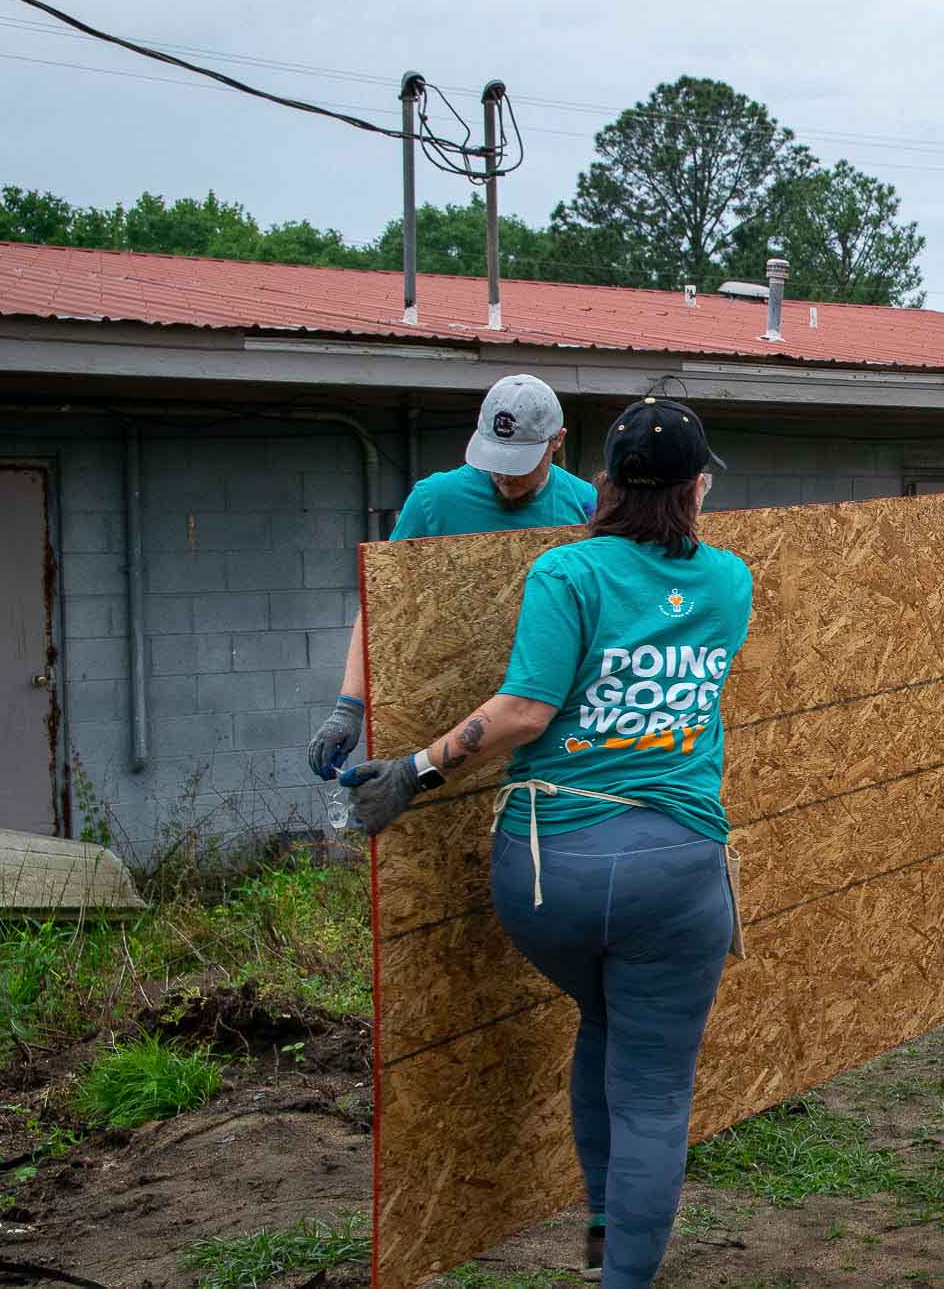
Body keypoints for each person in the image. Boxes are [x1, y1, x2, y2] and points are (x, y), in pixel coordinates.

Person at [337, 396, 749, 1286]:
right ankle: (624, 1272)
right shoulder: (730, 582)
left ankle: (604, 1218)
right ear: (696, 487)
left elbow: (525, 710)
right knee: (652, 1090)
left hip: (546, 878)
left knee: (601, 1019)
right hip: (676, 875)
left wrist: (410, 771)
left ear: (600, 482)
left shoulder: (566, 574)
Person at [307, 373, 598, 781]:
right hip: (448, 716)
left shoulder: (585, 506)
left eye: (519, 464)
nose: (504, 476)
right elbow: (381, 607)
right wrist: (349, 707)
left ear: (558, 441)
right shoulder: (433, 501)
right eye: (496, 459)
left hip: (545, 723)